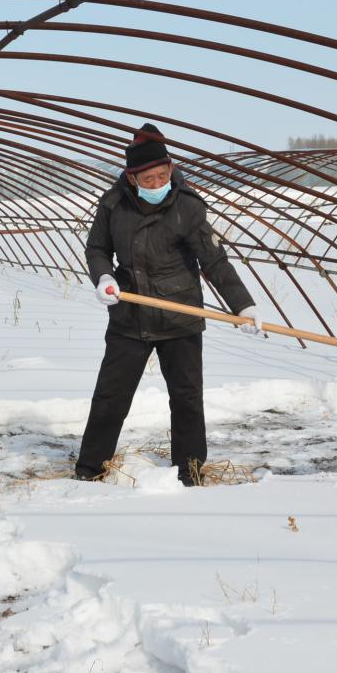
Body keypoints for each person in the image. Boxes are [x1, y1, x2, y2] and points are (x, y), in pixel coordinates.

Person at [76, 123, 266, 486]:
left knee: (187, 398)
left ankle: (190, 470)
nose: (156, 184)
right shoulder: (113, 205)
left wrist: (243, 305)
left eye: (163, 176)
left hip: (180, 315)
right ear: (131, 178)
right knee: (111, 395)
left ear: (172, 171)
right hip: (129, 315)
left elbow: (215, 260)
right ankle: (90, 468)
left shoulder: (188, 208)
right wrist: (104, 277)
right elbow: (97, 248)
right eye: (148, 179)